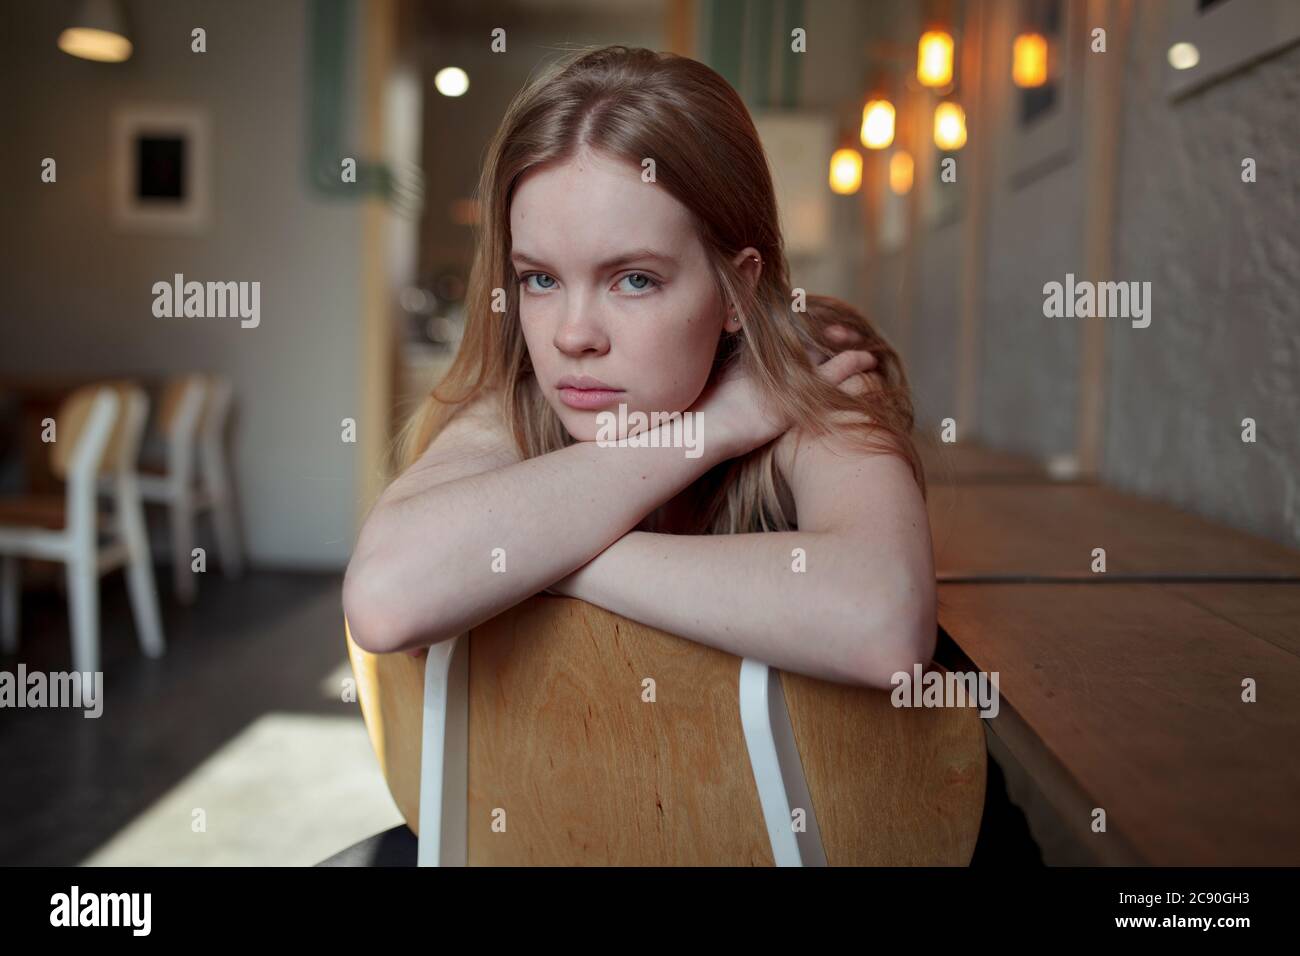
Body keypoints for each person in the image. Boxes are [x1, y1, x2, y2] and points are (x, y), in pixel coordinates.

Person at [344, 46, 935, 689]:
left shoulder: (814, 376)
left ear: (736, 291)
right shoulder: (517, 404)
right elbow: (386, 597)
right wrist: (719, 427)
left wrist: (536, 560)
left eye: (633, 280)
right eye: (540, 279)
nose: (572, 336)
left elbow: (883, 625)